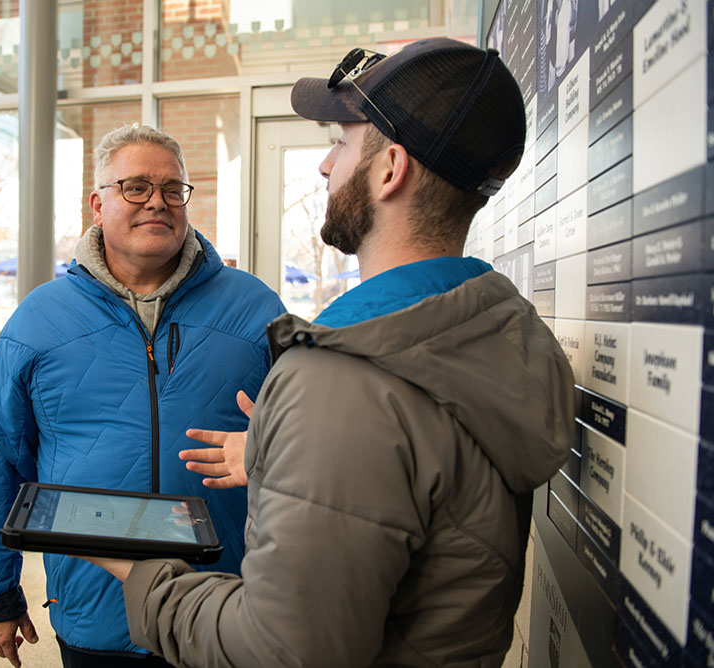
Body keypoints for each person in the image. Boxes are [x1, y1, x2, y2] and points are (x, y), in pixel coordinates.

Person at [85, 39, 577, 666]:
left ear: (389, 168)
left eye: (342, 142)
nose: (324, 165)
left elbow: (280, 652)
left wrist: (145, 573)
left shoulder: (343, 384)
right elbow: (418, 481)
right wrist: (279, 456)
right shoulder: (498, 333)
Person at [0, 124, 285, 667]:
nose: (157, 202)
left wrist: (269, 444)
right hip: (96, 614)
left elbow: (314, 441)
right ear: (97, 204)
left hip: (226, 608)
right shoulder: (39, 320)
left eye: (172, 189)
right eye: (136, 187)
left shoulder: (254, 308)